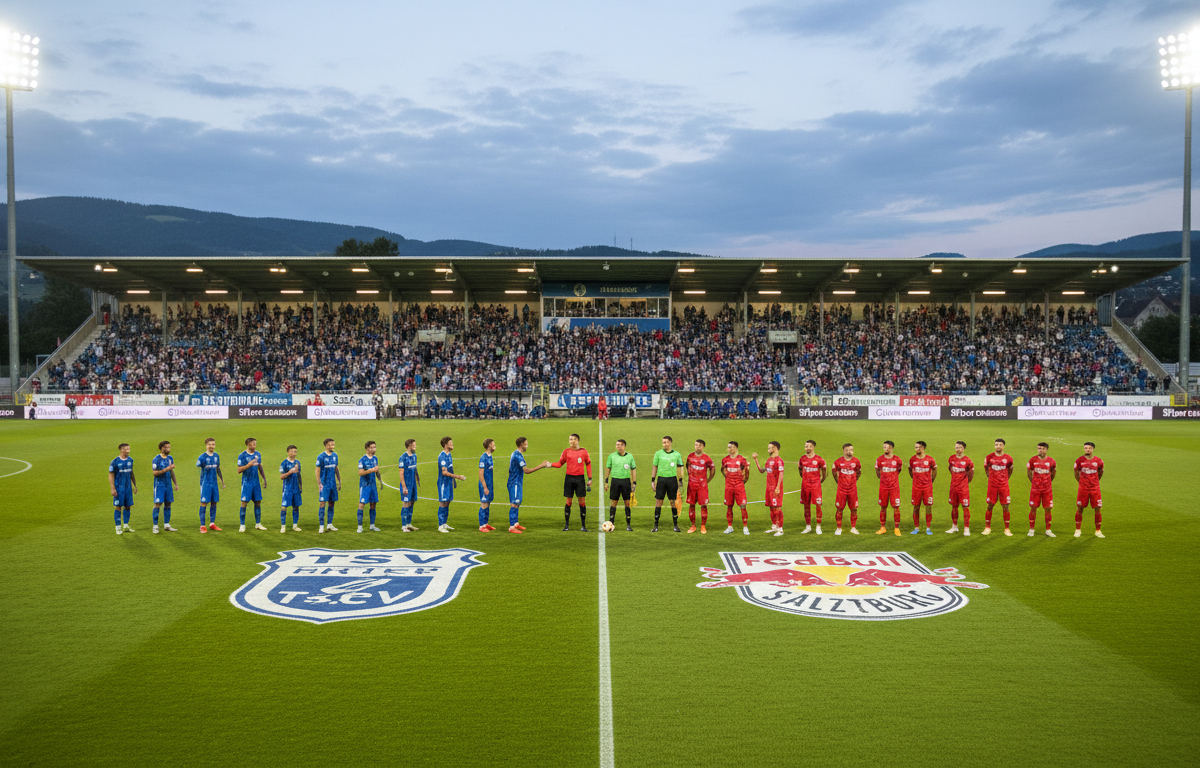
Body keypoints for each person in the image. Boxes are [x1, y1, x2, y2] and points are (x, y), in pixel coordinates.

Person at [507, 436, 551, 533]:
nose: (527, 446)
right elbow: (526, 470)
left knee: (517, 503)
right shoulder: (517, 455)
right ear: (522, 444)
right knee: (514, 504)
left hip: (517, 482)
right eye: (526, 444)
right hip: (514, 483)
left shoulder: (517, 454)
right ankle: (511, 527)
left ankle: (515, 523)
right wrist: (542, 465)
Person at [551, 433, 593, 531]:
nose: (572, 441)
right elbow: (560, 463)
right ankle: (566, 525)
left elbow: (588, 464)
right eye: (570, 439)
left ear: (578, 440)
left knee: (582, 502)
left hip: (580, 479)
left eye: (574, 439)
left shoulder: (583, 452)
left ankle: (583, 526)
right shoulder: (566, 452)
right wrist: (550, 464)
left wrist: (590, 478)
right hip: (569, 479)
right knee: (568, 501)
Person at [651, 435, 684, 532]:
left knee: (673, 502)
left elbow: (679, 468)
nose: (664, 444)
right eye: (663, 442)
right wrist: (653, 480)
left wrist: (680, 481)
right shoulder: (658, 454)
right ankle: (656, 525)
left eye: (666, 442)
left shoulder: (677, 455)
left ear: (670, 443)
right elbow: (655, 467)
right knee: (658, 502)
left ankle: (675, 525)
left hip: (672, 480)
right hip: (661, 480)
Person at [604, 438, 638, 530]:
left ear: (624, 446)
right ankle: (611, 524)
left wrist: (634, 482)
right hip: (615, 481)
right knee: (614, 502)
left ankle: (628, 525)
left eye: (621, 445)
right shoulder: (612, 456)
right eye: (617, 445)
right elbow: (608, 469)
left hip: (626, 482)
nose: (619, 447)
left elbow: (633, 469)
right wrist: (606, 482)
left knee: (627, 502)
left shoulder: (630, 457)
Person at [753, 441, 786, 536]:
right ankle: (774, 526)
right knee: (771, 508)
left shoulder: (779, 461)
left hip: (776, 489)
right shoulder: (769, 460)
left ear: (775, 448)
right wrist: (756, 460)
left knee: (777, 509)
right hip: (769, 489)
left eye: (769, 448)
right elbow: (762, 470)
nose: (768, 450)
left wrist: (778, 487)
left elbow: (781, 475)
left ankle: (780, 529)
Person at [983, 438, 1015, 536]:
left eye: (1000, 445)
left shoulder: (1008, 458)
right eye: (996, 444)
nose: (998, 446)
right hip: (992, 486)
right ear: (994, 446)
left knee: (1005, 506)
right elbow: (986, 469)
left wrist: (1005, 479)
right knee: (990, 505)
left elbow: (1010, 469)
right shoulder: (989, 457)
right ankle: (987, 527)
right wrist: (991, 477)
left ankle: (1007, 529)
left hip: (1004, 486)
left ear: (1003, 446)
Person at [1073, 441, 1104, 538]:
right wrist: (1081, 482)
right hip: (1083, 489)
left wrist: (1095, 481)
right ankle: (1078, 530)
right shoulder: (1079, 460)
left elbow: (1100, 472)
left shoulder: (1098, 461)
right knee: (1080, 508)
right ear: (1084, 449)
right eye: (1086, 448)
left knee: (1097, 508)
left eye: (1089, 448)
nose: (1087, 450)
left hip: (1095, 489)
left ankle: (1098, 531)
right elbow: (1076, 472)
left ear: (1093, 449)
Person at [237, 437, 268, 533]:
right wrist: (248, 465)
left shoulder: (257, 454)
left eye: (255, 444)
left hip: (256, 483)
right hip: (247, 483)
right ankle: (242, 525)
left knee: (258, 502)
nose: (255, 445)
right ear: (248, 444)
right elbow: (239, 470)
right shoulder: (242, 456)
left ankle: (258, 524)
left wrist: (264, 478)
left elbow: (260, 466)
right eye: (253, 444)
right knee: (244, 503)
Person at [684, 439, 715, 534]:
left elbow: (712, 469)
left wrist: (708, 480)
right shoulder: (690, 456)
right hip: (692, 486)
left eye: (699, 445)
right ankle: (693, 525)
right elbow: (687, 466)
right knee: (692, 505)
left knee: (703, 505)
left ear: (703, 447)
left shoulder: (707, 458)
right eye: (696, 445)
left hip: (702, 486)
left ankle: (703, 526)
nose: (697, 447)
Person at [436, 436, 466, 532]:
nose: (452, 444)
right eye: (450, 443)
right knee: (443, 503)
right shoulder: (443, 456)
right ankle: (440, 526)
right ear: (445, 445)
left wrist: (454, 481)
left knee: (448, 502)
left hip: (449, 482)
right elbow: (444, 472)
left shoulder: (449, 455)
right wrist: (458, 477)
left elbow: (450, 469)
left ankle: (444, 523)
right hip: (443, 483)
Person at [1027, 442, 1056, 537]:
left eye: (1043, 449)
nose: (1041, 450)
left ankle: (1048, 530)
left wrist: (1047, 483)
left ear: (1047, 449)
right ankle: (1031, 529)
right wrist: (1034, 483)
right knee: (1033, 508)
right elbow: (1029, 472)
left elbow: (1053, 474)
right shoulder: (1033, 460)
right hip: (1035, 489)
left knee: (1048, 509)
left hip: (1047, 490)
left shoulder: (1051, 461)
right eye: (1039, 448)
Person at [721, 441, 751, 535]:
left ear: (736, 448)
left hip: (739, 486)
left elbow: (746, 473)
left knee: (742, 506)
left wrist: (742, 482)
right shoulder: (725, 459)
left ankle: (745, 527)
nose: (730, 449)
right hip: (729, 486)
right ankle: (730, 527)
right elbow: (723, 471)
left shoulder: (742, 460)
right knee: (729, 506)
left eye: (732, 447)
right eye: (729, 447)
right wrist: (728, 480)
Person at [908, 440, 937, 536]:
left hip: (927, 488)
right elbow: (910, 471)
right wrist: (915, 479)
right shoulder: (912, 459)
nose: (917, 449)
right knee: (916, 507)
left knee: (928, 507)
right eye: (916, 447)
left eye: (919, 447)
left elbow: (934, 470)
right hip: (916, 488)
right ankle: (916, 527)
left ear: (924, 448)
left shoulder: (930, 459)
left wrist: (930, 481)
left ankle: (928, 527)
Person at [798, 439, 827, 534]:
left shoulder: (819, 459)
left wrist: (819, 481)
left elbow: (824, 472)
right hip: (805, 486)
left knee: (818, 505)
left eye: (809, 446)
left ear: (813, 447)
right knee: (806, 506)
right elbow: (800, 470)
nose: (807, 448)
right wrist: (805, 479)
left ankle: (818, 526)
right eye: (806, 446)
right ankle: (808, 526)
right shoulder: (802, 459)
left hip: (816, 486)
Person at [875, 440, 903, 537]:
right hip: (883, 487)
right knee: (883, 507)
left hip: (894, 487)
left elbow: (899, 470)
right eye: (884, 447)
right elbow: (878, 471)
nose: (885, 449)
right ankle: (882, 527)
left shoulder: (898, 460)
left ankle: (896, 528)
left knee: (896, 507)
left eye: (886, 447)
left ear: (891, 447)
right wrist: (883, 479)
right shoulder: (879, 459)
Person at [197, 437, 225, 532]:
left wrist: (221, 479)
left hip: (214, 484)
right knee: (204, 503)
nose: (211, 446)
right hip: (205, 484)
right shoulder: (202, 457)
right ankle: (202, 525)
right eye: (209, 444)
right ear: (206, 445)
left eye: (213, 444)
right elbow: (198, 464)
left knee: (214, 502)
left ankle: (212, 523)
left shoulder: (216, 456)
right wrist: (202, 463)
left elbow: (218, 468)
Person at [946, 440, 974, 535]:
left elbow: (970, 474)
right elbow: (951, 469)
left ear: (964, 449)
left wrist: (965, 482)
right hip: (953, 487)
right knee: (954, 506)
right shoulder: (951, 458)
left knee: (965, 507)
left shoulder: (968, 461)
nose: (958, 449)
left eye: (960, 448)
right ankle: (954, 526)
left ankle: (966, 528)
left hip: (963, 488)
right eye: (957, 447)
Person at [150, 440, 179, 534]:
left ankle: (166, 524)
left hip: (168, 485)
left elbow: (171, 472)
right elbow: (155, 473)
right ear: (161, 448)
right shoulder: (156, 459)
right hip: (159, 485)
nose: (168, 449)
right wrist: (168, 468)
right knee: (158, 504)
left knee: (168, 503)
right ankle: (155, 526)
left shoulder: (170, 458)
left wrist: (175, 483)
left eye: (169, 447)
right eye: (166, 447)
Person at [832, 443, 861, 535]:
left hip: (852, 490)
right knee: (839, 508)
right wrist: (838, 481)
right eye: (848, 450)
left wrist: (854, 480)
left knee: (854, 509)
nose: (850, 451)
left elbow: (859, 472)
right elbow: (834, 472)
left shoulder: (856, 461)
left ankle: (853, 527)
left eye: (852, 450)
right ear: (844, 451)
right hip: (841, 490)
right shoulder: (838, 462)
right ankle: (839, 528)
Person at [109, 442, 137, 535]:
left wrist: (134, 485)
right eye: (126, 449)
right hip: (119, 488)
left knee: (128, 506)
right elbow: (111, 475)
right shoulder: (115, 461)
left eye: (129, 448)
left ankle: (125, 525)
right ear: (121, 449)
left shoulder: (130, 460)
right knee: (118, 507)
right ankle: (118, 527)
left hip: (128, 487)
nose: (128, 450)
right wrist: (112, 488)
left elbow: (131, 473)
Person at [315, 438, 341, 533]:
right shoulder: (321, 457)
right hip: (324, 484)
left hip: (332, 484)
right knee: (322, 503)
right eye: (330, 444)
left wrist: (339, 480)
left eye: (333, 444)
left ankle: (329, 524)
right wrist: (319, 483)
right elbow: (317, 470)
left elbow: (336, 468)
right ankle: (321, 526)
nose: (332, 446)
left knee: (332, 503)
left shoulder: (335, 455)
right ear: (325, 445)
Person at [357, 440, 383, 533]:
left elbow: (377, 470)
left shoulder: (375, 458)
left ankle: (372, 525)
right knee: (361, 505)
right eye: (372, 447)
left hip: (373, 486)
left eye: (375, 447)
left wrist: (380, 480)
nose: (374, 449)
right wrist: (372, 470)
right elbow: (360, 473)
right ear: (367, 448)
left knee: (373, 504)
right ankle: (360, 526)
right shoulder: (362, 460)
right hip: (365, 486)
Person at [279, 444, 303, 532]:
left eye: (295, 452)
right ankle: (283, 526)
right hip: (287, 489)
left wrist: (300, 486)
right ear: (288, 452)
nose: (294, 453)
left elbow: (299, 475)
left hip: (296, 489)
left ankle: (295, 525)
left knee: (296, 507)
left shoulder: (298, 462)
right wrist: (290, 472)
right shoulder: (284, 463)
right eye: (292, 451)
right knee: (284, 507)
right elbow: (281, 477)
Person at [398, 439, 420, 532]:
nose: (415, 446)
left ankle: (409, 524)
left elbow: (415, 468)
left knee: (412, 502)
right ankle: (404, 526)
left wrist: (417, 478)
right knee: (406, 503)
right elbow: (401, 473)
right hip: (406, 484)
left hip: (413, 484)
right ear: (409, 446)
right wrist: (404, 486)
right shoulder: (403, 457)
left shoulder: (414, 455)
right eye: (414, 445)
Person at [478, 438, 497, 531]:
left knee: (488, 503)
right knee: (484, 504)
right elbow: (480, 473)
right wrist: (484, 487)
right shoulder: (484, 457)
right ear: (489, 445)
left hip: (489, 484)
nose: (494, 445)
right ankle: (481, 526)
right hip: (484, 485)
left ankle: (486, 523)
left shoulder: (490, 456)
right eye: (493, 444)